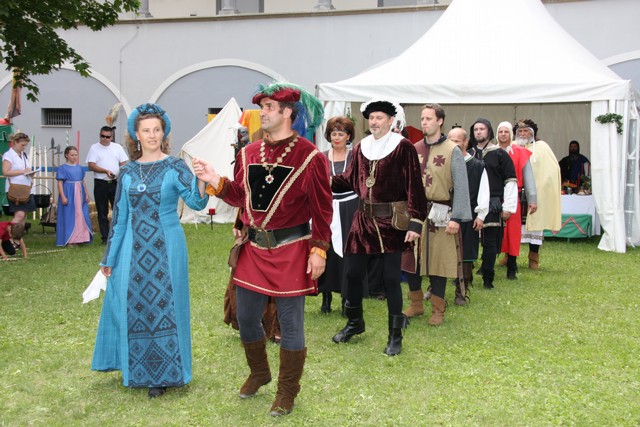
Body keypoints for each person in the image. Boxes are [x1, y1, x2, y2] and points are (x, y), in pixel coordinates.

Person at [193, 82, 332, 416]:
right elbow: (240, 197)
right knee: (245, 317)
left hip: (292, 249)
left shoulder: (310, 157)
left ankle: (286, 392)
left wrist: (319, 250)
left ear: (287, 112)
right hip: (254, 249)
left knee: (291, 324)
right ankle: (259, 373)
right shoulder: (248, 153)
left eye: (269, 107)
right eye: (262, 107)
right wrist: (215, 179)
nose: (263, 113)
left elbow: (322, 209)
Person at [92, 104, 208, 398]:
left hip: (168, 246)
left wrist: (202, 179)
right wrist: (109, 257)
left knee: (165, 306)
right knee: (134, 304)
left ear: (164, 133)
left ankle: (165, 374)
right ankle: (137, 367)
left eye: (157, 129)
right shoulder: (127, 171)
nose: (153, 135)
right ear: (136, 135)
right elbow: (119, 218)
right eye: (146, 130)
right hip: (131, 248)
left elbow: (196, 202)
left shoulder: (175, 166)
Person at [331, 98, 427, 355]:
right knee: (352, 273)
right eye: (371, 118)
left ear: (391, 120)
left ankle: (395, 336)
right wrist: (323, 179)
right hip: (362, 220)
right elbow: (350, 179)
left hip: (391, 222)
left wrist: (416, 223)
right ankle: (355, 323)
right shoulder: (360, 147)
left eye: (379, 118)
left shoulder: (403, 147)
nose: (374, 122)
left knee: (391, 279)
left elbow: (415, 186)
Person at [403, 103, 470, 326]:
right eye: (422, 118)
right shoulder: (413, 148)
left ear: (440, 121)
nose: (424, 122)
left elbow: (461, 186)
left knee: (438, 262)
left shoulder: (452, 150)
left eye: (429, 118)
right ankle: (416, 304)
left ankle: (438, 310)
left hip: (441, 214)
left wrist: (456, 217)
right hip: (416, 213)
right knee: (411, 259)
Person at [469, 118, 517, 290]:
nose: (478, 132)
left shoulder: (500, 154)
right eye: (476, 129)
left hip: (493, 202)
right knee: (468, 241)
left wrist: (508, 207)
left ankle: (488, 279)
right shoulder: (468, 154)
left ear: (489, 131)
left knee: (490, 243)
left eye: (482, 129)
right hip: (471, 202)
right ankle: (465, 276)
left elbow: (510, 180)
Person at [318, 116, 357, 314]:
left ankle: (346, 297)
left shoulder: (355, 157)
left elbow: (357, 181)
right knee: (327, 249)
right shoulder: (322, 157)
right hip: (327, 207)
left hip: (350, 207)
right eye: (334, 134)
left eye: (341, 134)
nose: (337, 138)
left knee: (347, 253)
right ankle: (326, 297)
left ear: (348, 136)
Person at [513, 119, 561, 269]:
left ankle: (533, 258)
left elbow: (551, 170)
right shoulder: (512, 147)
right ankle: (509, 256)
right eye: (520, 131)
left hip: (535, 193)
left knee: (535, 225)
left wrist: (542, 187)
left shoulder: (542, 147)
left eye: (526, 131)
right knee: (513, 225)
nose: (522, 134)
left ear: (533, 133)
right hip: (515, 193)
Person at [448, 127, 488, 304]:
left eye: (457, 141)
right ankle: (434, 288)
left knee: (466, 252)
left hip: (468, 214)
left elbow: (484, 191)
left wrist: (481, 215)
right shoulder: (443, 162)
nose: (453, 145)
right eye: (450, 141)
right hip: (445, 213)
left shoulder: (477, 166)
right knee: (441, 251)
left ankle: (461, 291)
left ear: (465, 142)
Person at [496, 121, 537, 280]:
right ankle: (487, 263)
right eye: (500, 131)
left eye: (506, 131)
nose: (503, 134)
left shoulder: (520, 152)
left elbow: (529, 177)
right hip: (493, 196)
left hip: (513, 196)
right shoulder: (490, 151)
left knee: (513, 232)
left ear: (511, 134)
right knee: (491, 231)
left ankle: (512, 265)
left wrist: (532, 199)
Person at [86, 126, 128, 244]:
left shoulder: (117, 147)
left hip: (114, 182)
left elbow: (124, 163)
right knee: (102, 211)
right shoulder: (94, 148)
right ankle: (105, 238)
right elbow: (91, 165)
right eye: (102, 136)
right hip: (101, 183)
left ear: (111, 137)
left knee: (118, 209)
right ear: (99, 135)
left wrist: (119, 172)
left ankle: (118, 235)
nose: (104, 139)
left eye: (107, 137)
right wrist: (105, 171)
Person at [56, 146, 93, 246]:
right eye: (72, 155)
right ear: (66, 155)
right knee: (69, 216)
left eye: (76, 155)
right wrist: (63, 196)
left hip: (80, 194)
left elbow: (82, 181)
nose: (74, 157)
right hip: (69, 193)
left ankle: (80, 238)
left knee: (80, 214)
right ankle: (70, 239)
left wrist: (86, 193)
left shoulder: (79, 168)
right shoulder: (62, 168)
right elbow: (60, 183)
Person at [2, 132, 36, 225]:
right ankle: (7, 232)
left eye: (26, 145)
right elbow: (5, 172)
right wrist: (22, 171)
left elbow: (25, 170)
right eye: (22, 145)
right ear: (15, 142)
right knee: (19, 215)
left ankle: (18, 234)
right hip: (15, 189)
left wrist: (30, 173)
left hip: (27, 188)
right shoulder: (8, 155)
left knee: (23, 216)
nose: (24, 147)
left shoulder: (24, 155)